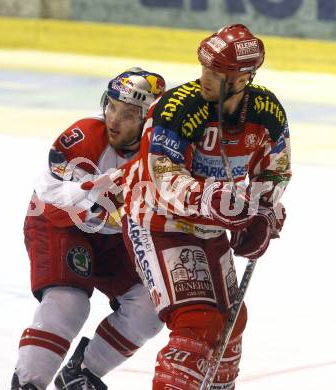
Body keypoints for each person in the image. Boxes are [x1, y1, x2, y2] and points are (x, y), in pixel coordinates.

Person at [121, 24, 291, 389]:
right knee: (198, 321)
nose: (205, 78)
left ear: (243, 78)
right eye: (205, 68)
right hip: (157, 221)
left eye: (217, 73)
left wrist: (262, 214)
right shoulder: (178, 107)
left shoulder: (268, 113)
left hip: (208, 226)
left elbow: (275, 170)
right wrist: (211, 199)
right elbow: (161, 176)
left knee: (231, 323)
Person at [11, 68, 166, 390]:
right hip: (60, 225)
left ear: (149, 120)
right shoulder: (82, 137)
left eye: (128, 114)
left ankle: (82, 373)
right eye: (112, 106)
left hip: (115, 236)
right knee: (68, 302)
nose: (114, 119)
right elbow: (50, 196)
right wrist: (94, 192)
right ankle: (28, 384)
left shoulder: (165, 153)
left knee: (151, 307)